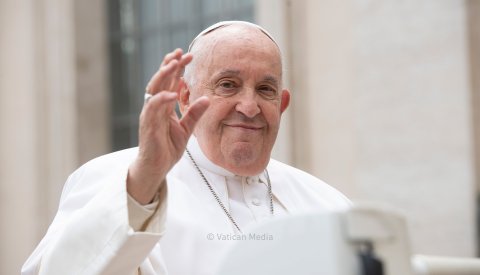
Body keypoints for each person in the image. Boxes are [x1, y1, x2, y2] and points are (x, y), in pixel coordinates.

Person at [22, 21, 350, 275]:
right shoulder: (115, 177)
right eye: (228, 85)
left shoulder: (330, 206)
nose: (249, 107)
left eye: (265, 89)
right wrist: (145, 180)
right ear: (185, 96)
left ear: (282, 103)